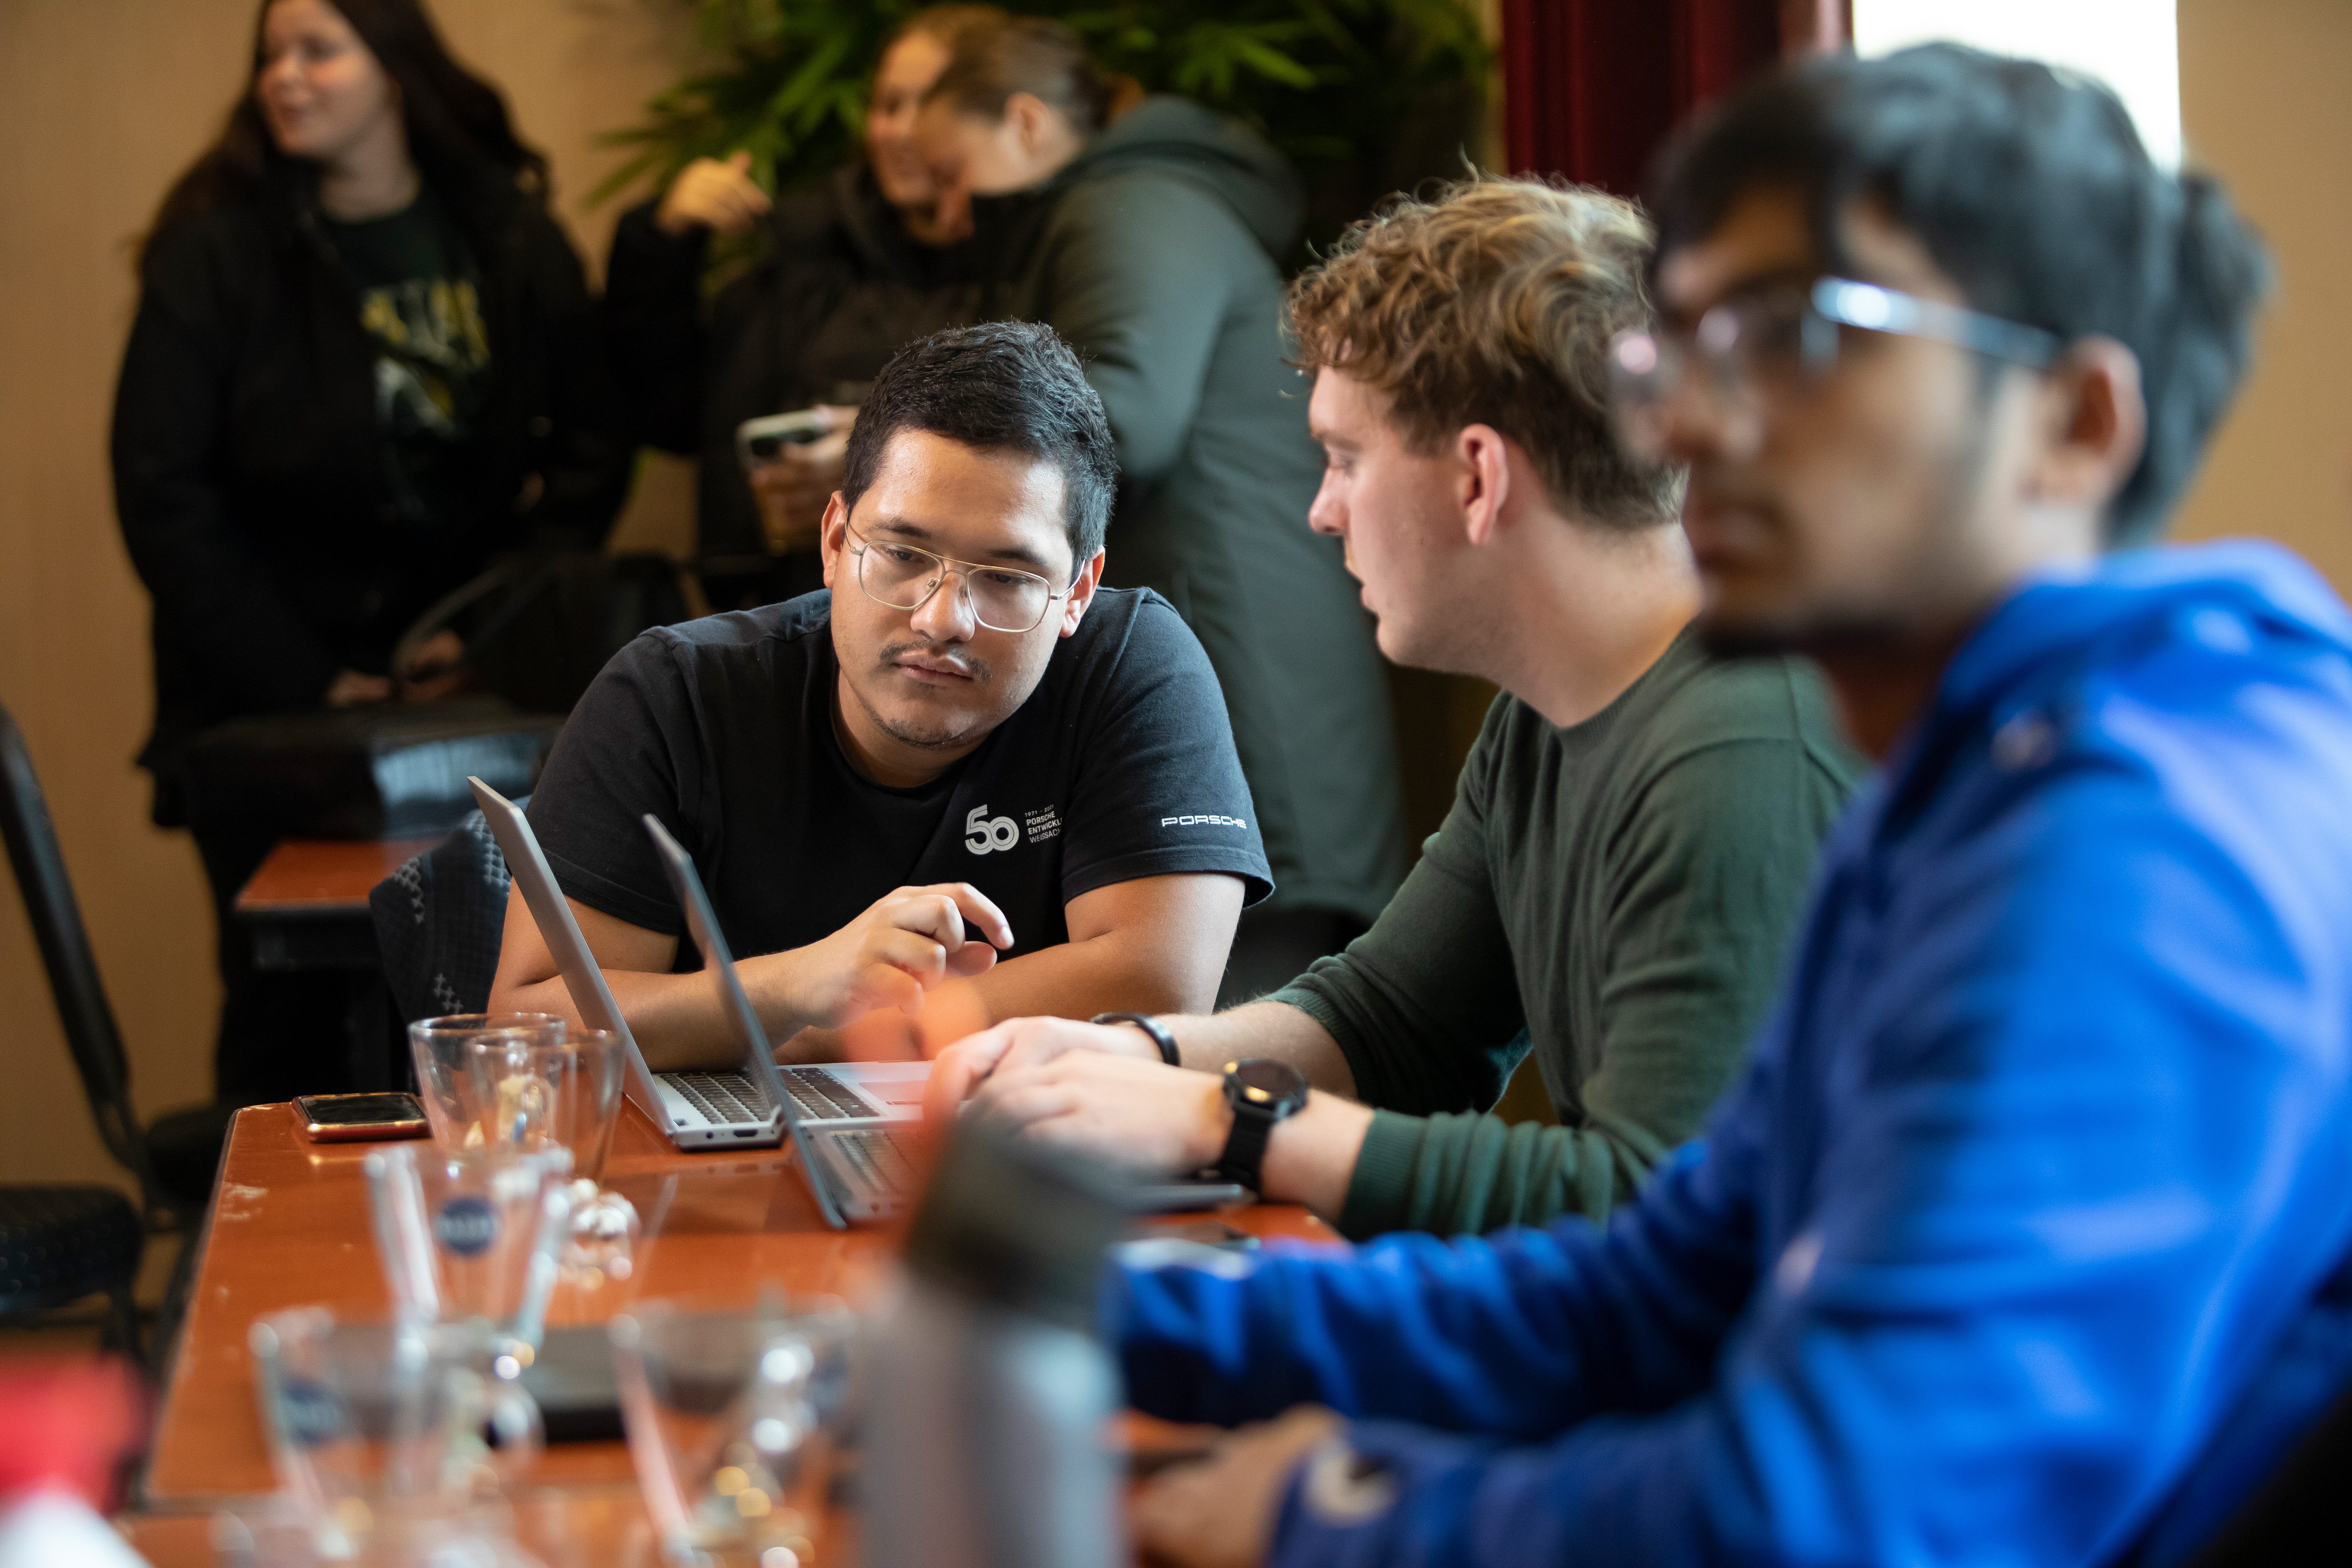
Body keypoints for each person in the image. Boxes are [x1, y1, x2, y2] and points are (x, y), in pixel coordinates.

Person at [1055, 46, 2344, 1568]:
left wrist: (1337, 1514)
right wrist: (1093, 1309)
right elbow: (1661, 1281)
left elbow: (1840, 1520)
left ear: (2075, 423)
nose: (1690, 422)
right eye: (1689, 346)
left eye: (1799, 337)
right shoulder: (1963, 781)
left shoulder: (2150, 852)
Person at [933, 178, 1863, 1240]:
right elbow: (1394, 1024)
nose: (1320, 511)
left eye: (1343, 458)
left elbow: (1651, 1208)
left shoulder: (1744, 752)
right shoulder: (1546, 716)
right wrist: (1128, 1056)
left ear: (1477, 478)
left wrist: (1224, 1119)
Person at [488, 322, 1271, 1068]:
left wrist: (831, 1028)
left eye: (1006, 578)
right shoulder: (672, 694)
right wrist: (801, 983)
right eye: (901, 552)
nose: (941, 619)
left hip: (1022, 1172)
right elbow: (532, 1021)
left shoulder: (1131, 664)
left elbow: (1159, 984)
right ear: (834, 541)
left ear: (1077, 592)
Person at [112, 0, 628, 1102]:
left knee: (477, 980)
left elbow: (592, 445)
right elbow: (161, 490)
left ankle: (470, 1234)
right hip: (271, 702)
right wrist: (305, 671)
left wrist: (489, 626)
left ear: (394, 68)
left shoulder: (506, 235)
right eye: (269, 58)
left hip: (469, 695)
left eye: (317, 51)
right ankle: (277, 1250)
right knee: (286, 1011)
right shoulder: (217, 253)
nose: (283, 79)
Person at [912, 17, 1408, 995]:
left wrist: (918, 458)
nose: (950, 209)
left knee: (1246, 1040)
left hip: (1237, 673)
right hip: (1238, 657)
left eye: (950, 171)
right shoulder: (1142, 201)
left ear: (1021, 121)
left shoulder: (1129, 205)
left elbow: (1126, 417)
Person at [603, 4, 1005, 608]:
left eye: (926, 105)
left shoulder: (1028, 269)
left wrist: (876, 463)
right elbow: (669, 409)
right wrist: (662, 245)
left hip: (952, 612)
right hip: (775, 609)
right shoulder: (802, 249)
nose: (898, 130)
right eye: (886, 105)